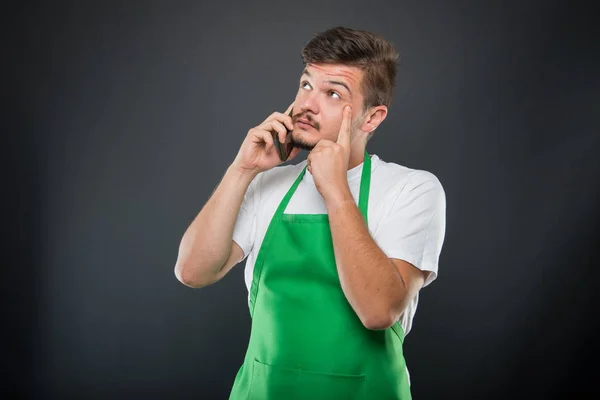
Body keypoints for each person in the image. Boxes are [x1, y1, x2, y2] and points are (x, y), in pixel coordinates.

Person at [174, 26, 446, 399]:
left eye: (333, 93)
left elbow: (379, 310)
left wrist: (335, 191)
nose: (307, 105)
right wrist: (242, 170)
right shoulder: (267, 185)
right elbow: (193, 272)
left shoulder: (412, 189)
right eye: (306, 85)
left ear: (372, 118)